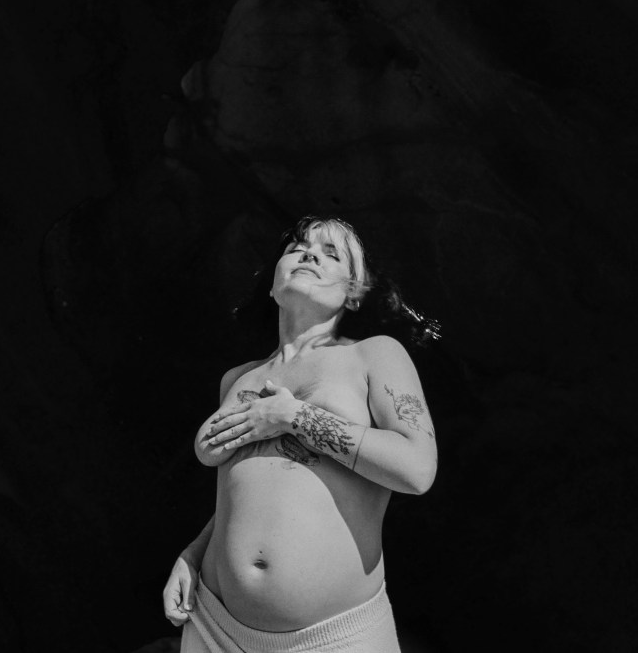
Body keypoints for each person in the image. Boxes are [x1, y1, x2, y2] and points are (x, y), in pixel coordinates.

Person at [163, 216, 439, 652]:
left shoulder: (374, 355)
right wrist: (193, 554)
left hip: (334, 638)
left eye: (332, 254)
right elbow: (247, 492)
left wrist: (296, 416)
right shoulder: (238, 378)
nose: (309, 254)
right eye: (297, 248)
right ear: (273, 287)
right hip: (212, 625)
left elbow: (417, 469)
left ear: (354, 293)